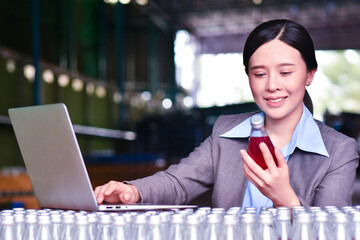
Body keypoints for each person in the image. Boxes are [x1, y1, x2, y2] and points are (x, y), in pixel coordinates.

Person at [94, 19, 359, 210]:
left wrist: (285, 198)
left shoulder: (339, 151)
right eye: (259, 74)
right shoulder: (226, 133)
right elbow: (179, 182)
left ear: (310, 75)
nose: (272, 85)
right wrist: (132, 191)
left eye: (286, 72)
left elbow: (331, 230)